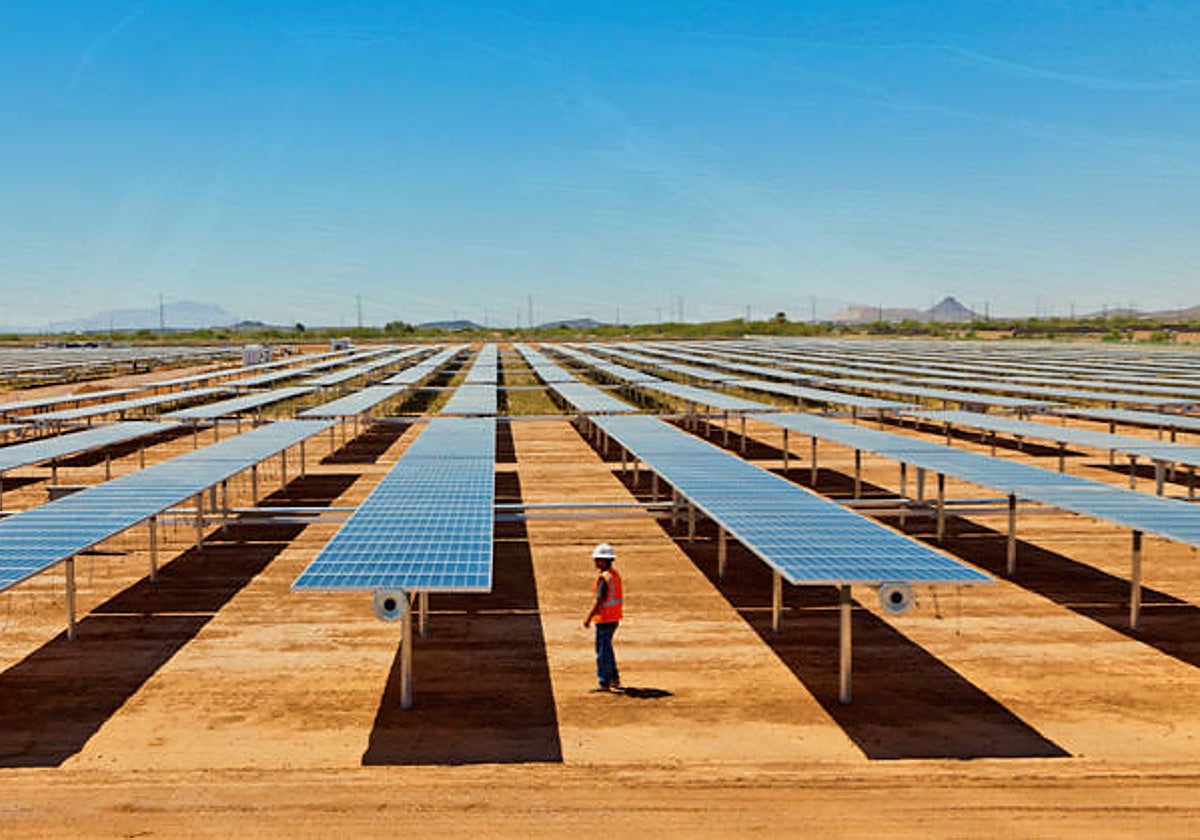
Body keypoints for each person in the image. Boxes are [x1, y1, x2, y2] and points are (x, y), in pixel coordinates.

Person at [583, 542, 623, 692]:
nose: (595, 562)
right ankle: (613, 679)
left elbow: (599, 601)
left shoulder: (604, 578)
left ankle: (604, 681)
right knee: (606, 649)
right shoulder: (614, 575)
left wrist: (588, 618)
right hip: (613, 618)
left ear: (605, 561)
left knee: (602, 652)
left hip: (605, 619)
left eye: (597, 559)